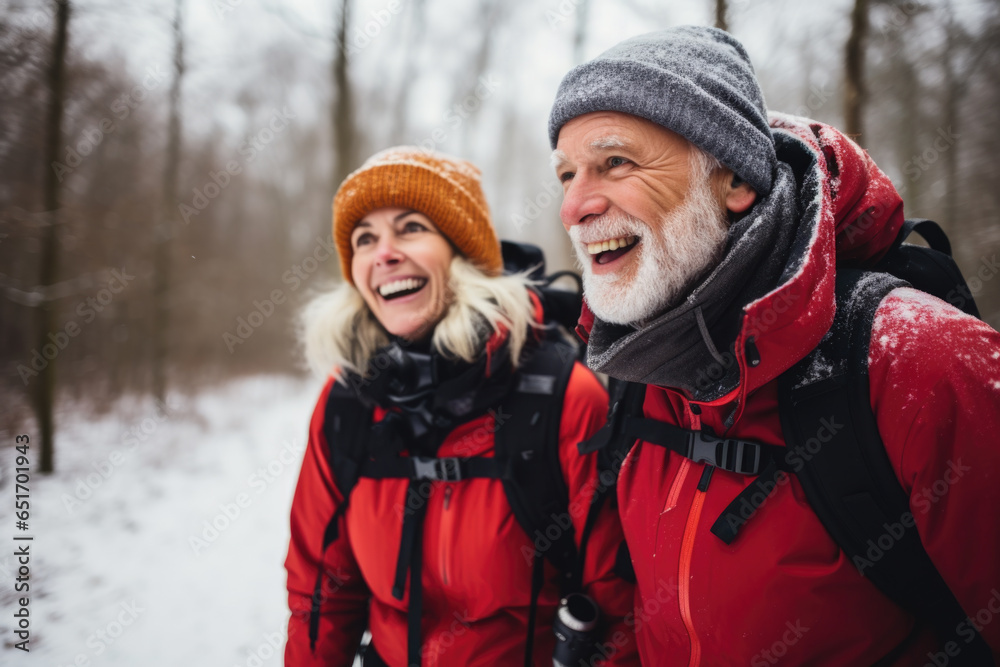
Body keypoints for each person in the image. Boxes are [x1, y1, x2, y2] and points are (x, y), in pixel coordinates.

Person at [547, 26, 1000, 665]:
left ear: (734, 179)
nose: (573, 206)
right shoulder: (635, 372)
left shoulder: (922, 360)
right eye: (566, 174)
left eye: (616, 161)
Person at [283, 147, 638, 666]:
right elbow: (320, 595)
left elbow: (617, 610)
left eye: (410, 229)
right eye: (365, 239)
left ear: (463, 253)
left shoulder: (564, 397)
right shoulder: (348, 403)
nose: (384, 253)